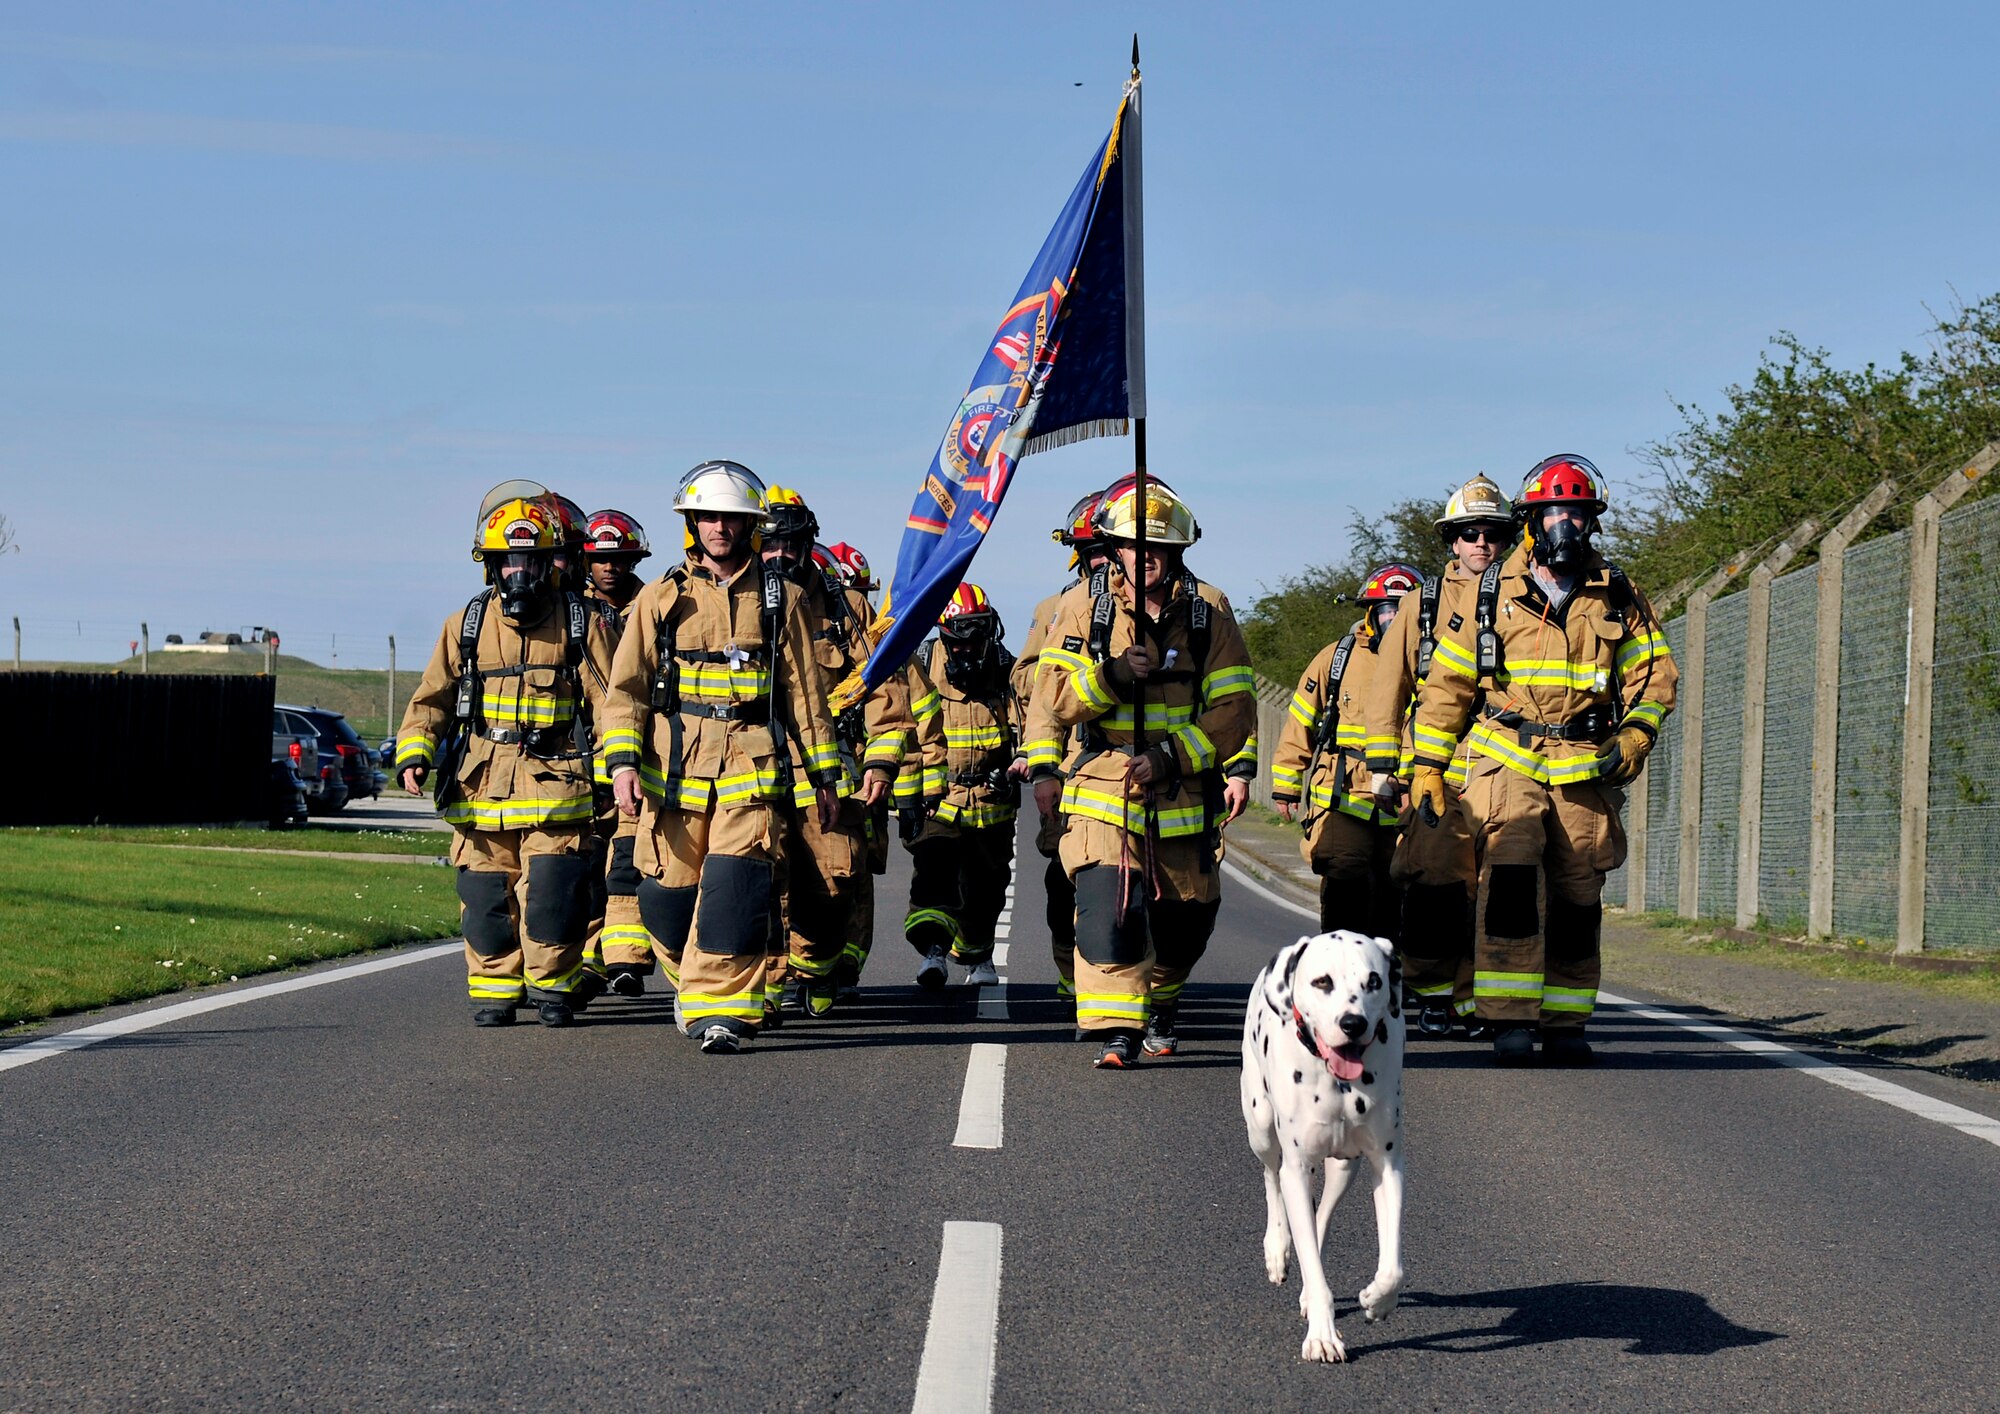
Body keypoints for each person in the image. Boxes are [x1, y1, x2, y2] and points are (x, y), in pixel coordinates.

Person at [1410, 454, 1677, 1065]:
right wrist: (1428, 762)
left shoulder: (1617, 593)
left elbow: (1654, 674)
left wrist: (1636, 734)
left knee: (1578, 893)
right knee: (1508, 879)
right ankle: (1507, 1018)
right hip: (1508, 756)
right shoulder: (1488, 595)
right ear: (1530, 521)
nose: (1566, 526)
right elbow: (1448, 685)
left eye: (1578, 515)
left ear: (1592, 523)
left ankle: (1565, 1018)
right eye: (1554, 512)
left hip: (1584, 762)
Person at [598, 461, 845, 1054]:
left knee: (735, 889)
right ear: (691, 523)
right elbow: (626, 691)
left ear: (748, 525)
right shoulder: (660, 599)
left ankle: (723, 1016)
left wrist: (826, 778)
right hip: (674, 773)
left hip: (751, 771)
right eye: (708, 516)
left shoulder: (778, 600)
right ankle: (694, 984)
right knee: (667, 899)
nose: (719, 527)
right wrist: (623, 766)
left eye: (731, 518)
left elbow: (806, 696)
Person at [1032, 481, 1255, 1067]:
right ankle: (1118, 1029)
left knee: (1187, 919)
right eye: (1131, 545)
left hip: (1181, 784)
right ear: (1114, 548)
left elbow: (1234, 708)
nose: (1144, 554)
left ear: (1178, 549)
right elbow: (1053, 695)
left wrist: (1170, 757)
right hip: (1105, 782)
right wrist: (1110, 676)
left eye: (1157, 544)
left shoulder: (1209, 611)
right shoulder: (1085, 606)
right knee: (1110, 904)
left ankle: (1161, 1001)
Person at [395, 490, 616, 1027]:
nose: (519, 572)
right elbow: (432, 699)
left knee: (553, 897)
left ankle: (553, 990)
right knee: (485, 899)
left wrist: (617, 771)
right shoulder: (463, 626)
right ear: (491, 566)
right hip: (480, 788)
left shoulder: (581, 623)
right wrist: (414, 754)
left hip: (558, 790)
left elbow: (611, 703)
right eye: (508, 561)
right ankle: (495, 991)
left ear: (548, 563)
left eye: (530, 561)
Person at [1359, 475, 1515, 1037]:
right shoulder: (1421, 604)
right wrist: (1383, 769)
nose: (1481, 543)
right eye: (1470, 533)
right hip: (1436, 765)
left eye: (1493, 533)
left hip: (1507, 762)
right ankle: (1430, 990)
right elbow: (1389, 688)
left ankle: (1479, 1001)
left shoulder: (1523, 595)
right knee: (1436, 883)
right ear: (1453, 541)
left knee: (1499, 886)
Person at [758, 490, 905, 1017]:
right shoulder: (739, 604)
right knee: (760, 883)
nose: (778, 555)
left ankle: (817, 966)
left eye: (789, 544)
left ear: (807, 544)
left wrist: (881, 763)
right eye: (768, 544)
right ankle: (770, 987)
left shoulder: (846, 607)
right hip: (750, 772)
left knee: (834, 881)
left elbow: (884, 691)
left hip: (828, 776)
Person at [1269, 562, 1423, 943]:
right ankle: (1338, 959)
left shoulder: (1433, 660)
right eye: (1387, 610)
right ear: (1370, 614)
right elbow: (1301, 720)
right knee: (1344, 876)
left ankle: (1385, 971)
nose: (1394, 621)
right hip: (1343, 794)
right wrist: (1285, 784)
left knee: (1397, 883)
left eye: (1404, 612)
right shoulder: (1337, 658)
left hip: (1406, 795)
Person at [902, 584, 1021, 989]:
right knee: (934, 871)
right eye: (959, 642)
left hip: (991, 802)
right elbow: (902, 728)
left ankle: (977, 954)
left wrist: (1013, 770)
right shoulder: (920, 665)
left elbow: (1029, 729)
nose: (969, 650)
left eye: (977, 639)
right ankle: (934, 952)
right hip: (939, 796)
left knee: (986, 888)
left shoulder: (1008, 669)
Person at [581, 508, 655, 997]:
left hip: (635, 757)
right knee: (582, 865)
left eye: (620, 558)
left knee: (626, 859)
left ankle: (625, 958)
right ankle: (587, 958)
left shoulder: (656, 606)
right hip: (574, 766)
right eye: (600, 559)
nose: (610, 567)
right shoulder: (566, 612)